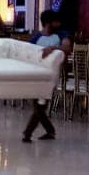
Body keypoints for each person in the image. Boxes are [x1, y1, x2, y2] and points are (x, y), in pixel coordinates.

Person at [22, 9, 70, 143]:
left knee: (40, 104)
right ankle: (50, 131)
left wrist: (52, 48)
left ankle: (28, 133)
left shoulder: (61, 34)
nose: (59, 23)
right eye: (56, 21)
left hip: (51, 75)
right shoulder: (36, 38)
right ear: (49, 23)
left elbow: (67, 48)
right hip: (35, 74)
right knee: (38, 105)